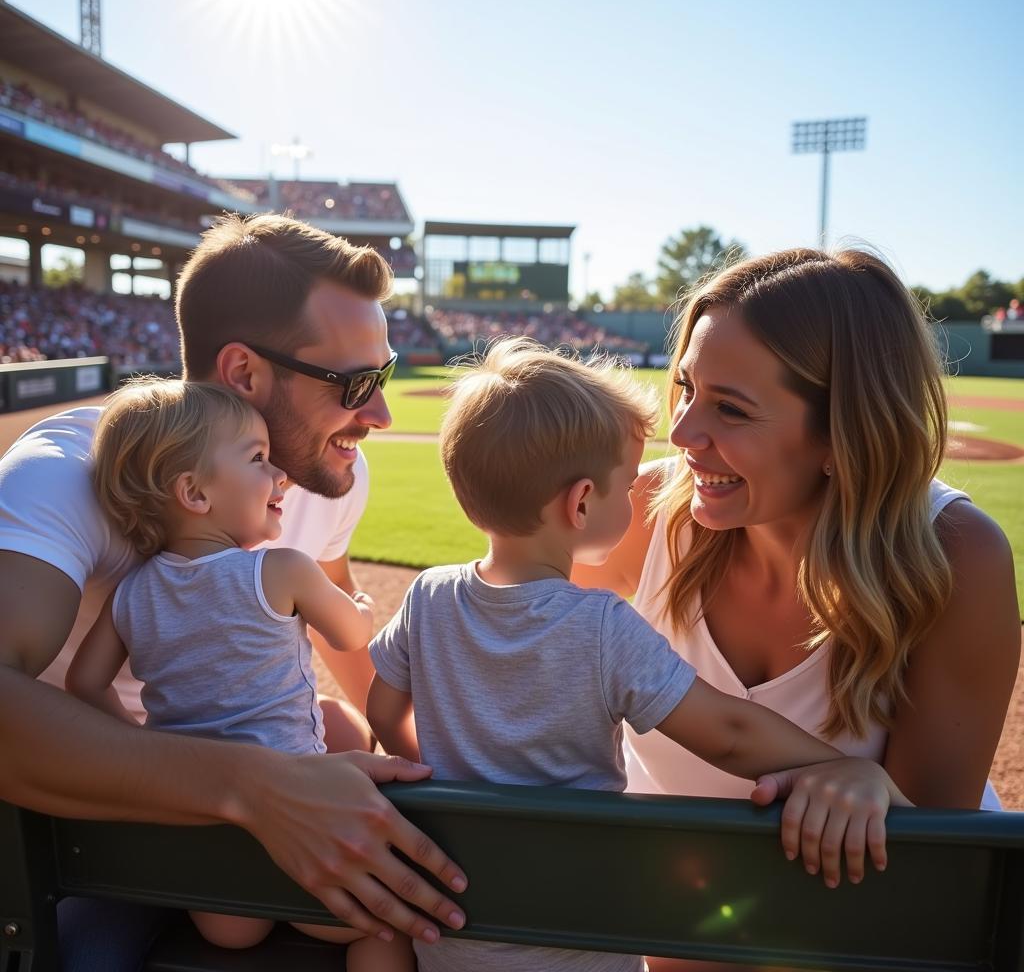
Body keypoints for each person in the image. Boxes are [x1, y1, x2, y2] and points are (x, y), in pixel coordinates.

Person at [0, 214, 467, 971]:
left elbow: (348, 643)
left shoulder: (324, 472)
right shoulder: (67, 470)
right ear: (245, 373)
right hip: (79, 824)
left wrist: (435, 765)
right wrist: (252, 788)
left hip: (230, 795)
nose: (380, 413)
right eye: (357, 384)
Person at [365, 337, 909, 972]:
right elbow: (728, 734)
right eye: (628, 485)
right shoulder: (602, 626)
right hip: (581, 929)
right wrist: (837, 766)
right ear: (582, 502)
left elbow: (383, 707)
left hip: (457, 927)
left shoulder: (428, 596)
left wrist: (450, 778)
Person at [571, 248, 1021, 972]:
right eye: (686, 388)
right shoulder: (649, 512)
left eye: (730, 408)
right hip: (671, 937)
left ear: (842, 433)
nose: (683, 434)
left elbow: (934, 863)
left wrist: (879, 794)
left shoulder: (955, 553)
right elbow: (509, 640)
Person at [66, 378, 412, 970]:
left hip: (212, 870)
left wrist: (145, 745)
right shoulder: (281, 570)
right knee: (383, 935)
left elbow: (84, 685)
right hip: (308, 837)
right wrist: (360, 610)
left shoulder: (130, 593)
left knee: (234, 939)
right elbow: (353, 637)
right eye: (258, 459)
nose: (280, 476)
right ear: (194, 493)